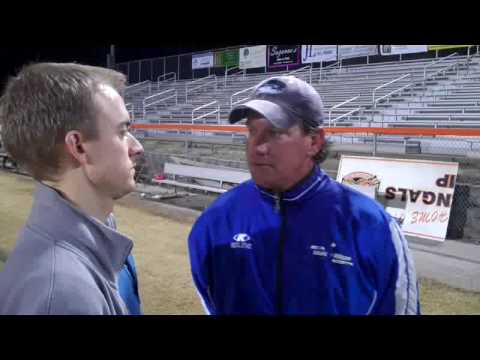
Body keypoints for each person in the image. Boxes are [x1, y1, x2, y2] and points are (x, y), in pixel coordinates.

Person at [188, 75, 420, 315]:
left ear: (314, 141)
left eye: (275, 133)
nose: (258, 147)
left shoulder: (369, 224)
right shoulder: (216, 221)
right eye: (252, 131)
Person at [0, 62, 144, 315]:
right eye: (122, 132)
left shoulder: (101, 237)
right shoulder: (62, 295)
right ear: (78, 147)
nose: (137, 147)